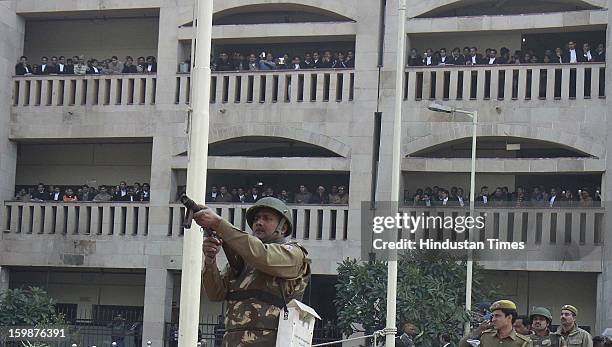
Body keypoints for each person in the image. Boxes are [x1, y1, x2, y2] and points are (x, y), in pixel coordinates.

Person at [197, 197, 311, 346]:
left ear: (283, 227)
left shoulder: (294, 254)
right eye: (256, 218)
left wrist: (219, 224)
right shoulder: (243, 261)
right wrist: (210, 261)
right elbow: (215, 294)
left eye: (266, 218)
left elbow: (262, 256)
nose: (259, 222)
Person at [459, 300, 532, 347]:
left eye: (497, 316)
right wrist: (479, 330)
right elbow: (462, 345)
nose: (493, 319)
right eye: (492, 316)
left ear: (509, 317)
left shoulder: (523, 343)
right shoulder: (485, 336)